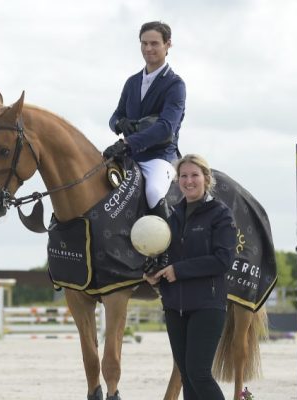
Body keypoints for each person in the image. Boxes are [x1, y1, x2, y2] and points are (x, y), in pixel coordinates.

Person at [144, 154, 235, 400]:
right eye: (183, 176)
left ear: (206, 179)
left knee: (199, 373)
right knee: (186, 374)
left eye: (194, 175)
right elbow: (166, 257)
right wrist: (153, 272)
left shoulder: (220, 215)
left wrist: (179, 270)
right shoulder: (172, 217)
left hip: (208, 305)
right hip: (175, 306)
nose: (188, 180)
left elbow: (223, 260)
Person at [103, 20, 186, 221]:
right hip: (130, 156)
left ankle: (169, 249)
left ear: (168, 45)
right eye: (144, 43)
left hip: (159, 157)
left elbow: (166, 128)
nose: (148, 48)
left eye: (154, 43)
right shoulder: (132, 82)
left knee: (154, 192)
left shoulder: (175, 85)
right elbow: (115, 115)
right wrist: (118, 124)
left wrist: (128, 142)